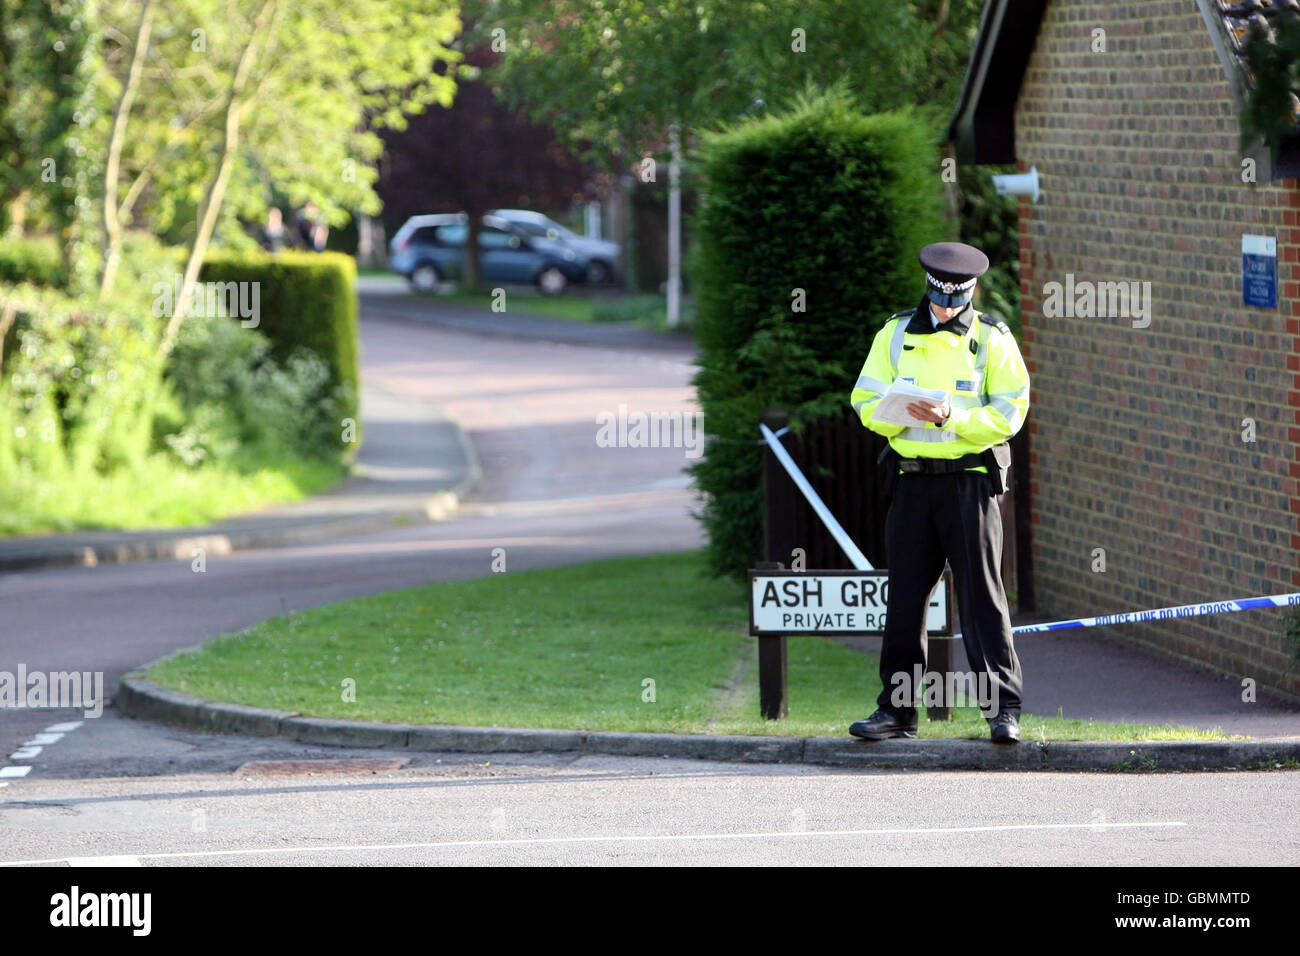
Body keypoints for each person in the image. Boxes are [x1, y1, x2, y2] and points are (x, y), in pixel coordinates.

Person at [847, 241, 1031, 744]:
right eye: (938, 299)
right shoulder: (895, 332)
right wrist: (893, 413)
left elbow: (1011, 411)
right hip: (911, 481)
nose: (945, 308)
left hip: (970, 482)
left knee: (982, 599)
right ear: (928, 289)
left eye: (955, 300)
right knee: (905, 599)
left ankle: (1003, 712)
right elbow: (864, 396)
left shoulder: (993, 338)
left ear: (970, 293)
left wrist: (954, 417)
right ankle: (897, 711)